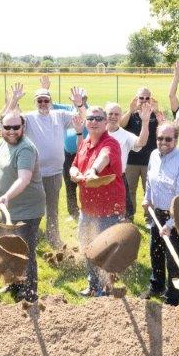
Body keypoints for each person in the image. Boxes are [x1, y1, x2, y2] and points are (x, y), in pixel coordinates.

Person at [0, 79, 85, 249]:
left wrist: (79, 104)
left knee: (52, 210)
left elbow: (82, 118)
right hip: (32, 175)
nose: (43, 103)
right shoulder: (28, 118)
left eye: (46, 100)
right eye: (40, 100)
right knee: (32, 209)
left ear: (51, 102)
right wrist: (14, 100)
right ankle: (30, 238)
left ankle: (53, 239)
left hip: (54, 173)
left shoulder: (60, 116)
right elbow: (5, 122)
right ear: (35, 102)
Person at [0, 111, 45, 301]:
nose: (11, 131)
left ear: (23, 127)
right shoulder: (2, 142)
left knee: (24, 251)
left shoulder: (26, 148)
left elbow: (24, 178)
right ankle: (14, 283)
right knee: (8, 247)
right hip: (8, 208)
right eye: (7, 127)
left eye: (16, 127)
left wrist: (7, 196)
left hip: (26, 209)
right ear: (1, 128)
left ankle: (29, 291)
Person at [69, 106, 126, 296]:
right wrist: (75, 173)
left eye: (98, 118)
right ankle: (93, 285)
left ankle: (106, 289)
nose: (93, 121)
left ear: (105, 123)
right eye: (90, 118)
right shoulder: (85, 143)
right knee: (87, 247)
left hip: (109, 210)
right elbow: (74, 165)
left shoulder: (111, 143)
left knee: (105, 252)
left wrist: (93, 171)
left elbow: (105, 157)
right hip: (87, 210)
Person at [142, 122, 179, 306]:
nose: (163, 142)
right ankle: (156, 285)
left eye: (168, 139)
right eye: (159, 138)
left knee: (173, 258)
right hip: (157, 212)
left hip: (177, 216)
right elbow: (150, 180)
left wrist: (171, 224)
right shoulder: (153, 155)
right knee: (155, 251)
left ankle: (173, 297)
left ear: (175, 139)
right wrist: (147, 198)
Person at [106, 101, 151, 217]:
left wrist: (145, 122)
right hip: (100, 178)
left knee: (125, 213)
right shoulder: (98, 132)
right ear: (105, 115)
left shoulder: (125, 135)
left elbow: (141, 142)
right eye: (110, 114)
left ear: (121, 116)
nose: (113, 117)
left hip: (118, 178)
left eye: (116, 114)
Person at [121, 86, 160, 219]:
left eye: (146, 98)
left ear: (151, 98)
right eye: (141, 98)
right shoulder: (131, 114)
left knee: (149, 191)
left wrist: (157, 111)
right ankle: (129, 216)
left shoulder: (155, 114)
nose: (144, 100)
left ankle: (149, 217)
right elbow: (120, 125)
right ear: (136, 98)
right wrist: (130, 109)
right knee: (129, 190)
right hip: (131, 160)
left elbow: (165, 129)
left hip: (150, 161)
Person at [54, 89, 87, 221]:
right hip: (67, 154)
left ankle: (87, 211)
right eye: (75, 98)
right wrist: (45, 88)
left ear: (85, 99)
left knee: (84, 182)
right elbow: (49, 104)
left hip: (84, 153)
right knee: (69, 183)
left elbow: (83, 114)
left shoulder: (87, 110)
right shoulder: (66, 109)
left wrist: (79, 105)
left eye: (82, 98)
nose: (79, 100)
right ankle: (73, 212)